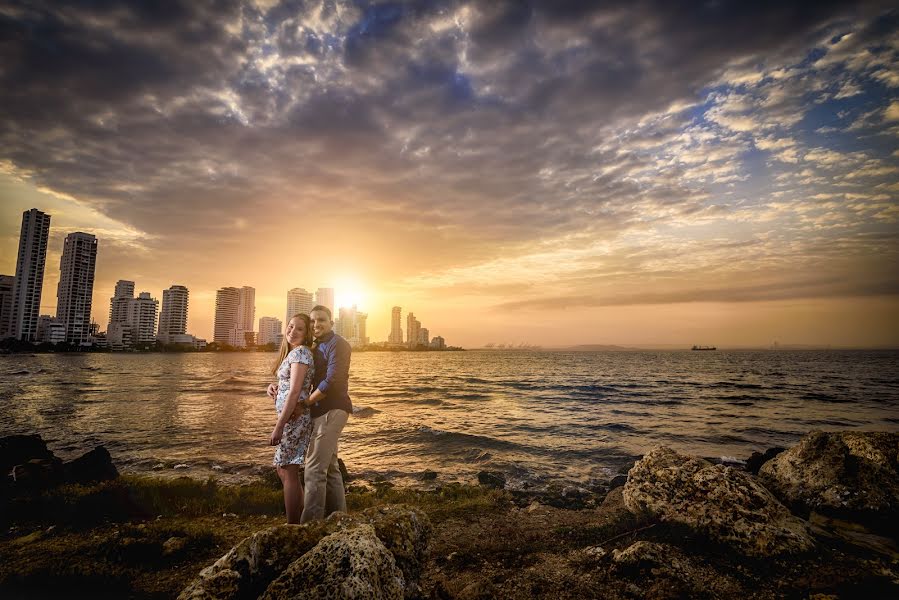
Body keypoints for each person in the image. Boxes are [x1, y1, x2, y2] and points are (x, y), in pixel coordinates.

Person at [271, 304, 352, 522]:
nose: (317, 324)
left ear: (331, 322)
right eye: (313, 321)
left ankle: (309, 526)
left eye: (321, 320)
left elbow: (332, 381)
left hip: (333, 409)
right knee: (331, 468)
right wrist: (278, 387)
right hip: (319, 411)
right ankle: (339, 518)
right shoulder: (315, 348)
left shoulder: (339, 344)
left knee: (314, 469)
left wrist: (304, 403)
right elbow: (303, 380)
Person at [267, 313, 315, 524]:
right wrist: (273, 387)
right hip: (291, 418)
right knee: (283, 469)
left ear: (306, 335)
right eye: (290, 326)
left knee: (288, 469)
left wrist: (278, 427)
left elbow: (296, 391)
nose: (292, 331)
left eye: (299, 329)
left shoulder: (301, 353)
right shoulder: (293, 353)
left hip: (295, 419)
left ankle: (293, 525)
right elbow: (289, 386)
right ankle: (300, 517)